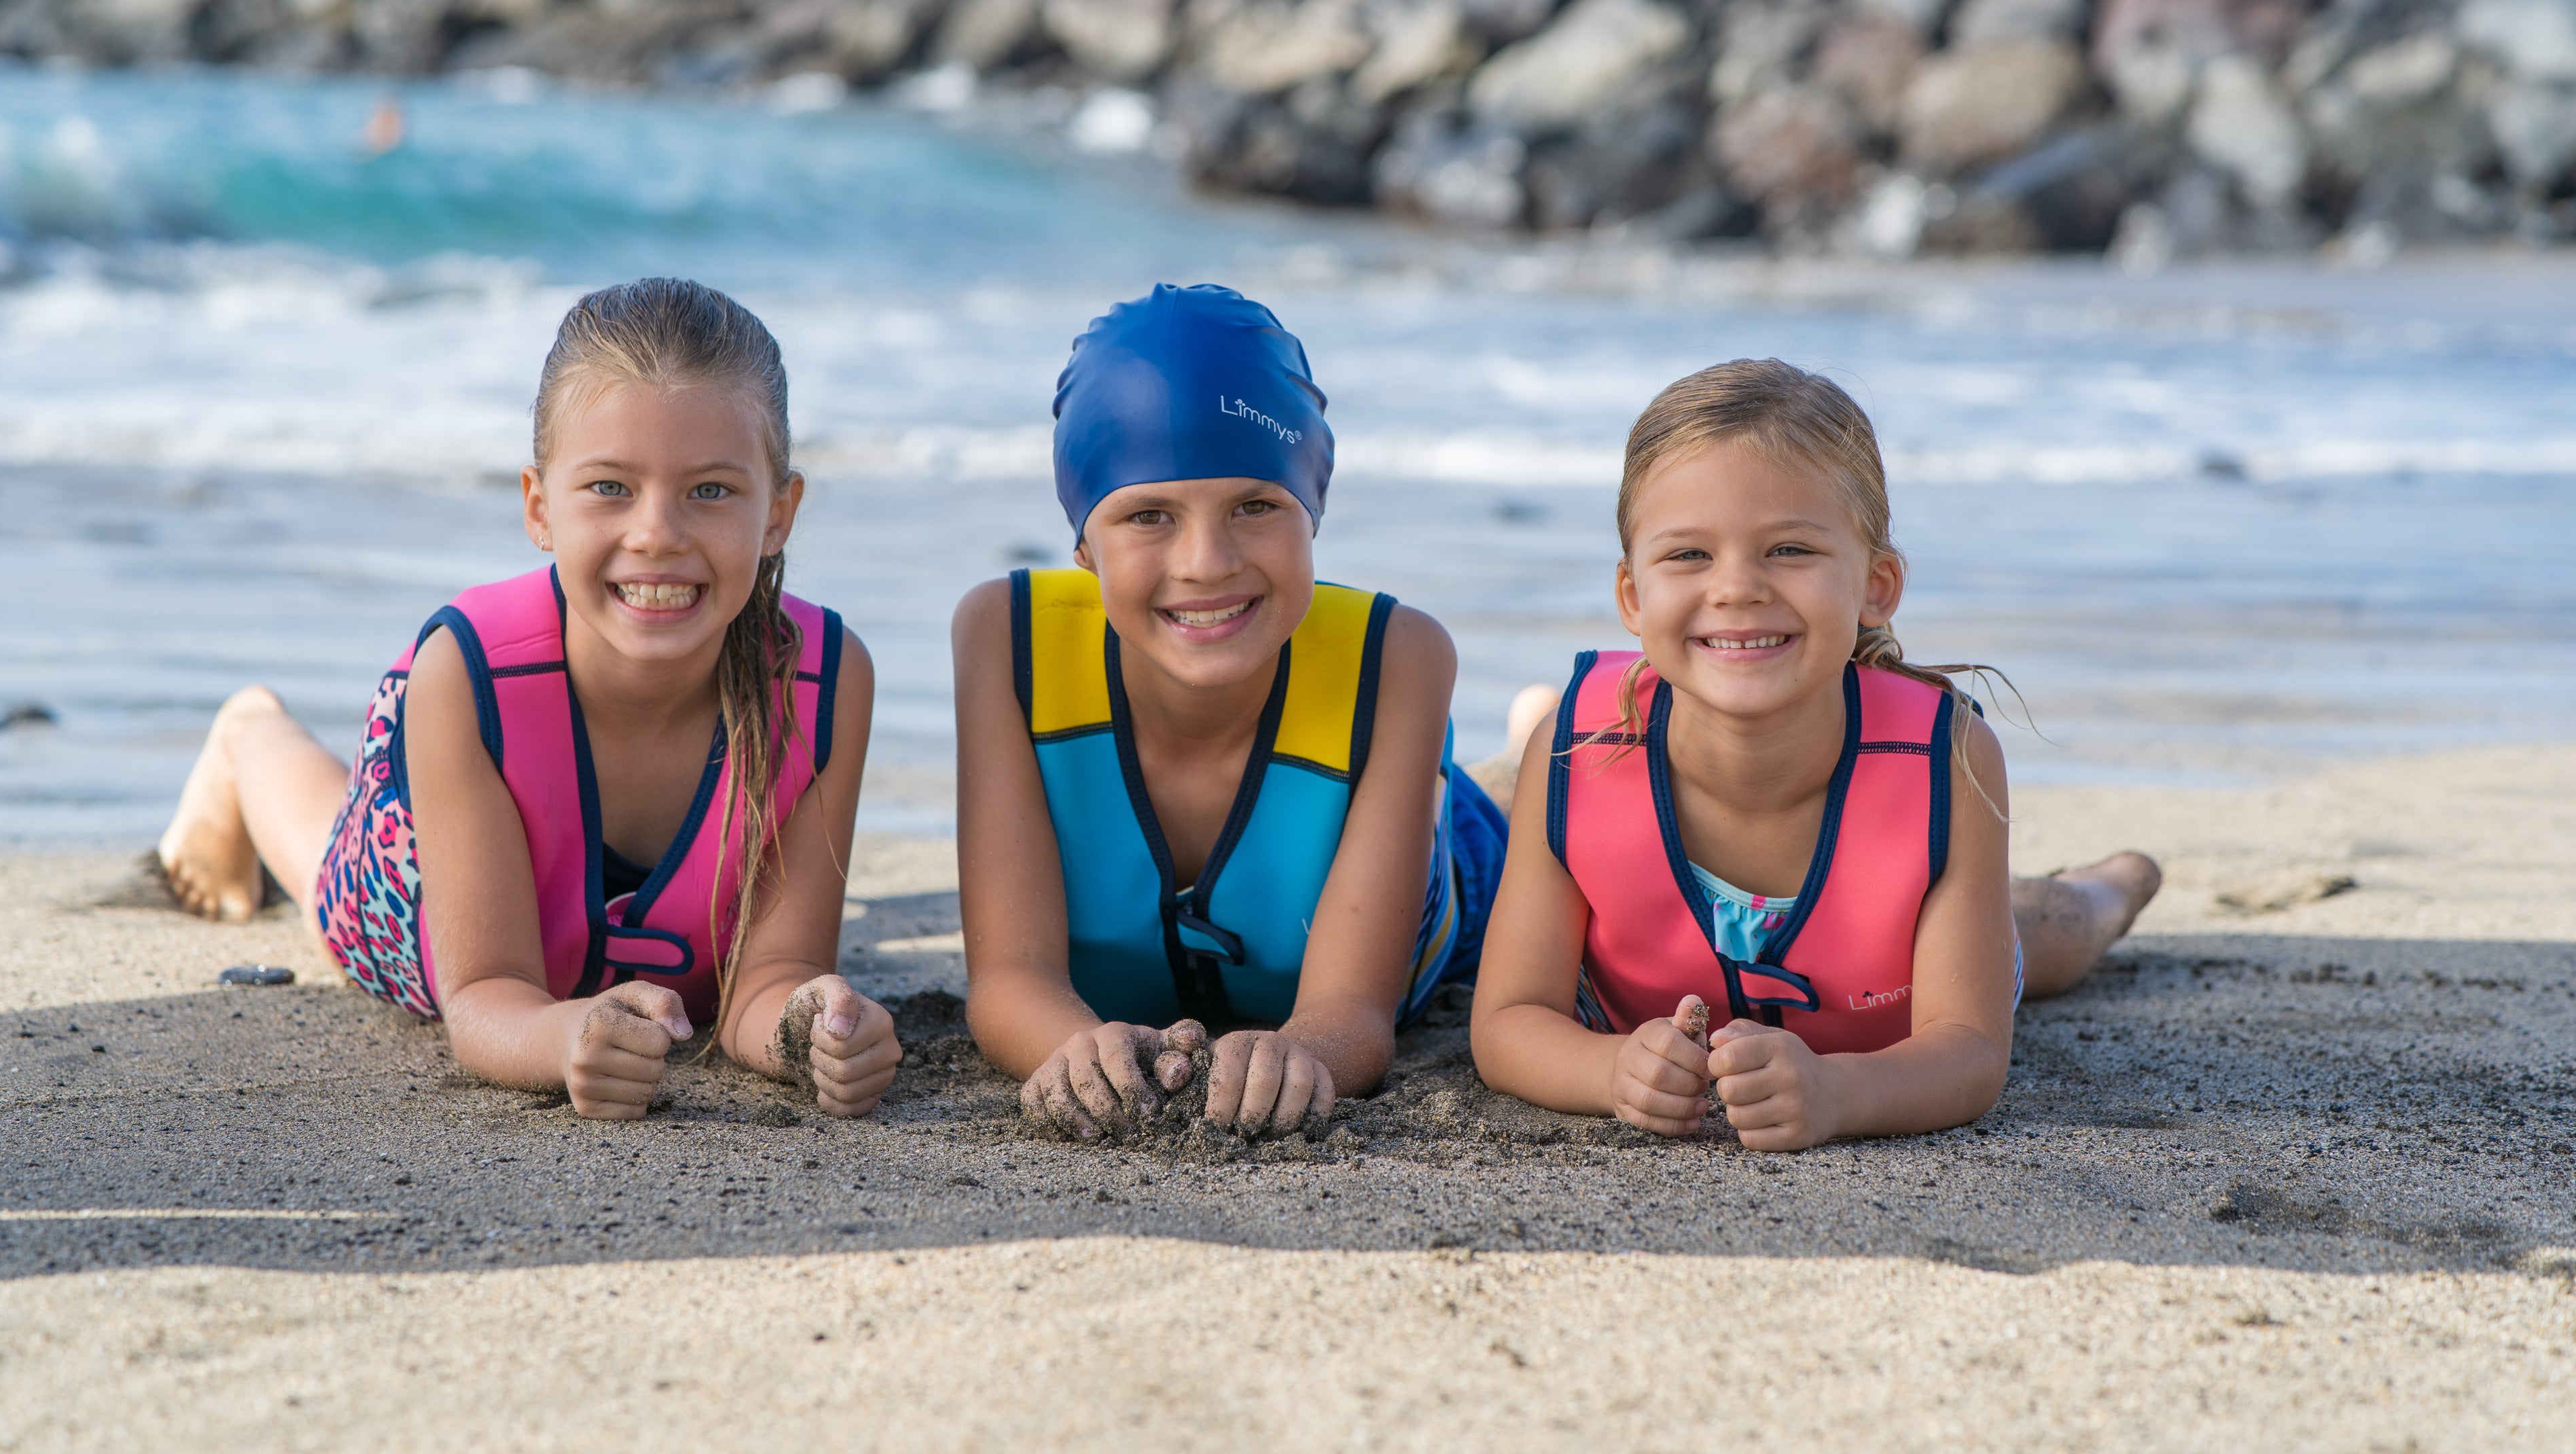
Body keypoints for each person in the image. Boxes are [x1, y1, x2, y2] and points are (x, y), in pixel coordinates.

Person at [149, 279, 901, 1121]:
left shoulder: (825, 685)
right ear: (539, 507)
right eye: (610, 487)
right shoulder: (468, 680)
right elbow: (482, 997)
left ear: (780, 514)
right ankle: (248, 737)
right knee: (337, 891)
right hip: (451, 764)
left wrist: (812, 1030)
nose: (657, 532)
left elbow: (766, 979)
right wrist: (563, 1036)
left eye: (712, 491)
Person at [1470, 359, 2159, 1151]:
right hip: (1624, 945)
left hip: (1888, 981)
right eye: (1689, 555)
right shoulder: (1576, 749)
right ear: (1632, 596)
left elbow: (1968, 1049)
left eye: (1789, 549)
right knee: (1536, 760)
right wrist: (1609, 1069)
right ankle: (1518, 731)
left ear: (1877, 583)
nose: (1737, 588)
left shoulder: (1952, 759)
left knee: (2050, 931)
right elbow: (1507, 1023)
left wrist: (1839, 1089)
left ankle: (2116, 885)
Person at [952, 284, 1508, 1140]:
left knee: (1517, 810)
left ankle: (1523, 750)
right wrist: (1075, 1047)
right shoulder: (1007, 641)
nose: (1207, 562)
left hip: (1451, 857)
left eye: (1257, 505)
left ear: (1313, 509)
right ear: (1082, 550)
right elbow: (1007, 979)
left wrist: (1302, 1050)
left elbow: (1354, 1014)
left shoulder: (1400, 658)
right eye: (1148, 515)